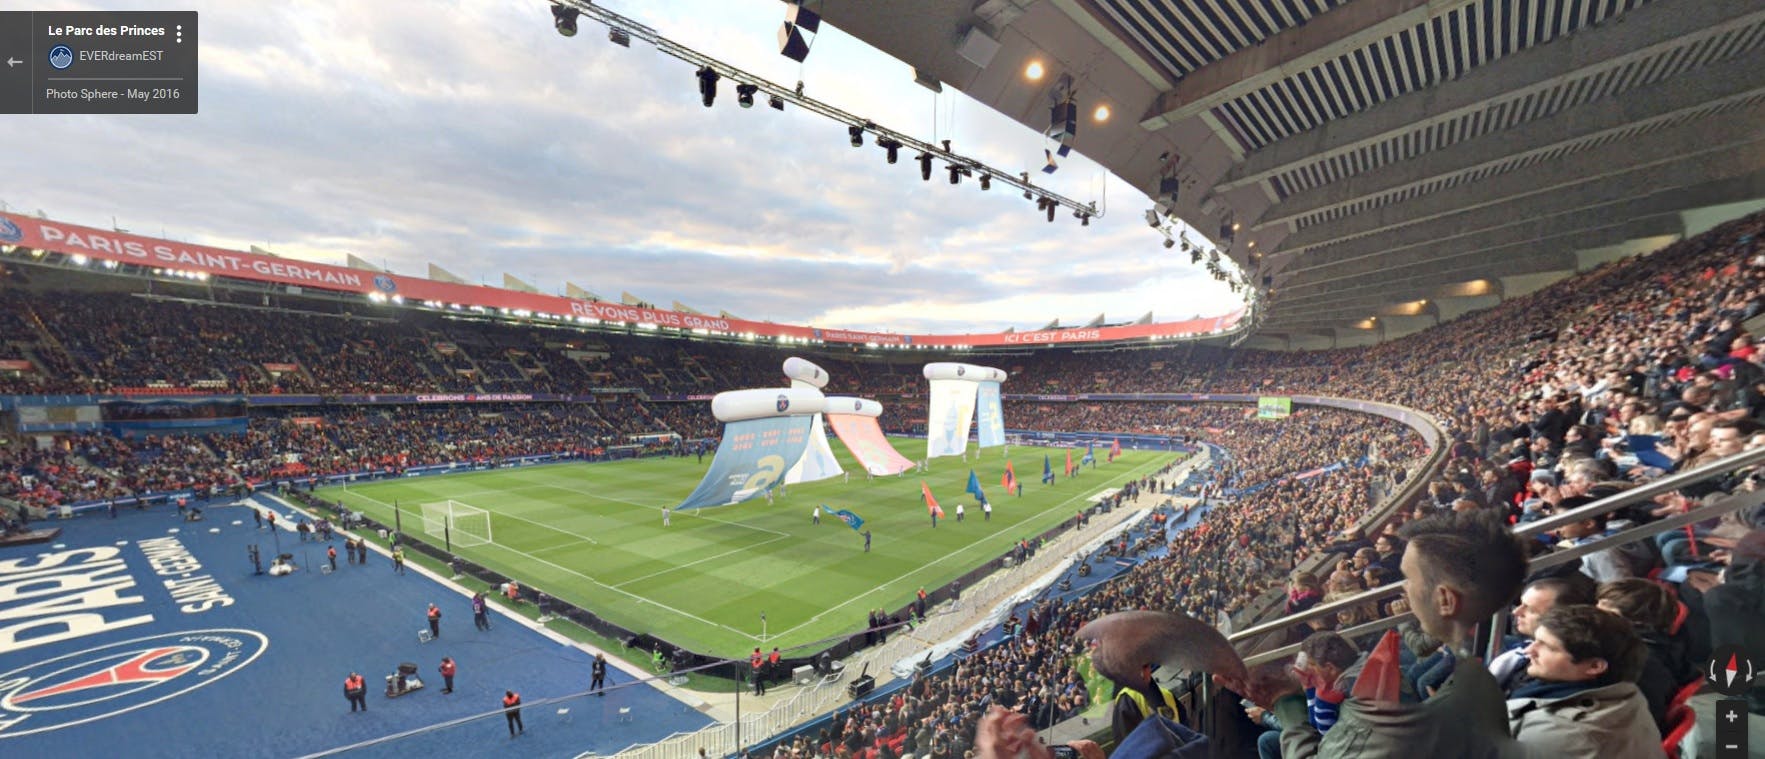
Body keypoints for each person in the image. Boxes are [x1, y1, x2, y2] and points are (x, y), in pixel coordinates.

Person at [1224, 510, 1530, 758]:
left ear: (1446, 600)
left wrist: (1284, 704)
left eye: (1409, 578)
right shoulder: (1483, 681)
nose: (1402, 588)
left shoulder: (1398, 724)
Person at [1507, 605, 1662, 757]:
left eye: (1547, 647)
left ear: (1595, 666)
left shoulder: (1561, 733)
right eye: (1535, 640)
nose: (1529, 651)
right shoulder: (1626, 692)